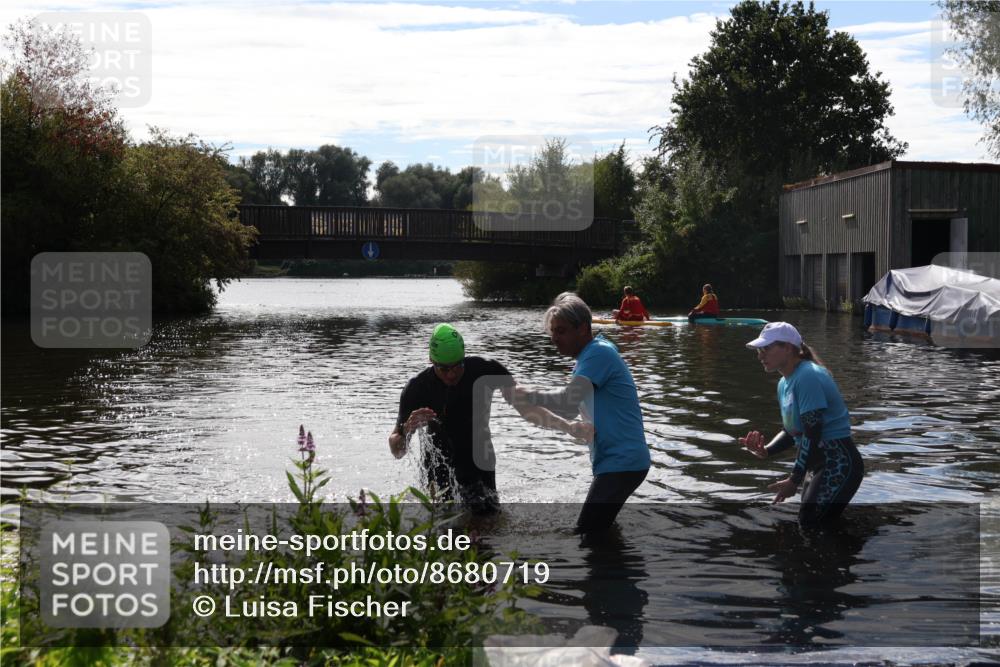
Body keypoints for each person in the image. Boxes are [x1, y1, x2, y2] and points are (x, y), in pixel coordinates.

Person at [390, 323, 591, 514]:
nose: (452, 375)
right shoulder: (417, 388)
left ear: (464, 358)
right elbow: (397, 451)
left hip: (479, 464)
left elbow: (526, 408)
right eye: (444, 369)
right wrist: (406, 430)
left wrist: (568, 426)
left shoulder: (484, 370)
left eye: (457, 366)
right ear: (431, 361)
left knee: (487, 531)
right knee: (445, 530)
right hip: (437, 469)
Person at [515, 293, 651, 534]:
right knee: (601, 531)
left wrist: (530, 395)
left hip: (622, 463)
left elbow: (568, 400)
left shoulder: (598, 354)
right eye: (553, 332)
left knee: (587, 533)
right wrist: (576, 427)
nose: (554, 339)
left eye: (561, 331)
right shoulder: (591, 355)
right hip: (616, 461)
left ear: (583, 329)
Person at [739, 322, 864, 528]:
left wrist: (794, 480)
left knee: (811, 525)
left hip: (838, 463)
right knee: (811, 525)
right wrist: (766, 451)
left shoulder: (807, 375)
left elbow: (812, 432)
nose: (760, 355)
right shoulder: (784, 383)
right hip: (816, 466)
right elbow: (792, 431)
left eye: (766, 348)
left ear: (788, 348)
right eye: (759, 350)